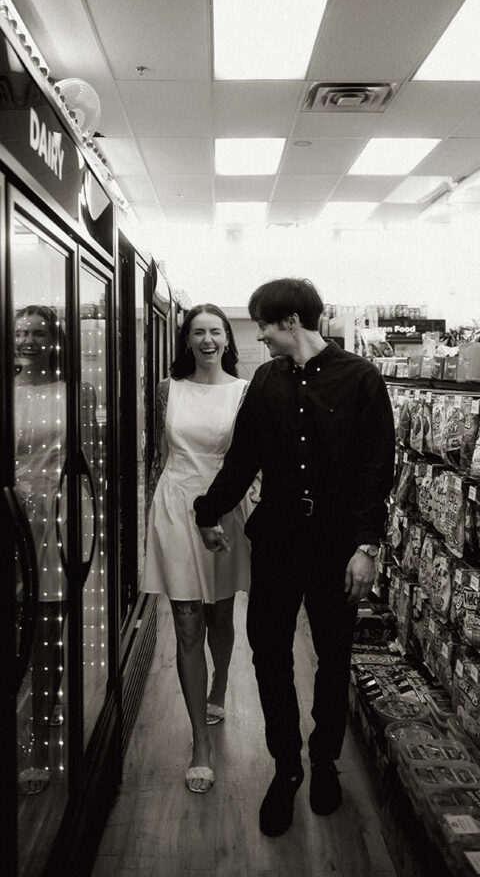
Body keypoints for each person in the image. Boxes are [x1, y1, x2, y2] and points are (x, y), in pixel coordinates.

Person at [194, 278, 395, 836]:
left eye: (262, 323)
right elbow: (243, 458)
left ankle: (325, 760)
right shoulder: (265, 380)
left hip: (337, 544)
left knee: (333, 654)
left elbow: (377, 470)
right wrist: (208, 510)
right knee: (268, 653)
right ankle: (286, 768)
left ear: (289, 321)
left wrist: (366, 546)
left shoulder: (360, 379)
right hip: (278, 538)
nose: (256, 334)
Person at [141, 304, 253, 795]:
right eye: (197, 332)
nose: (207, 340)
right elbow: (154, 451)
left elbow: (249, 457)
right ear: (185, 340)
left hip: (224, 506)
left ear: (227, 339)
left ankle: (220, 683)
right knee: (187, 620)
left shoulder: (244, 393)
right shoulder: (168, 390)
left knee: (221, 618)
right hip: (173, 506)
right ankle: (199, 744)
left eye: (215, 331)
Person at [15, 305, 97, 795]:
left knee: (49, 626)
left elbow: (88, 457)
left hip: (62, 512)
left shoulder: (77, 393)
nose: (28, 340)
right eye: (21, 332)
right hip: (13, 513)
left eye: (38, 333)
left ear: (54, 339)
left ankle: (41, 734)